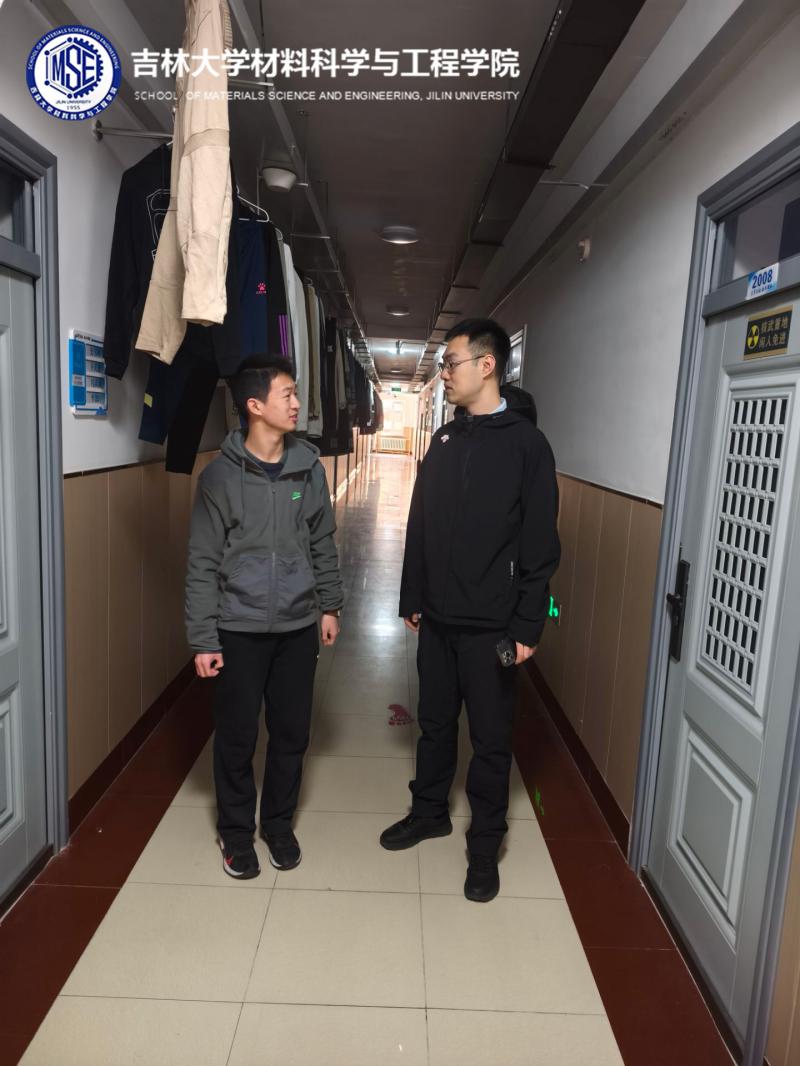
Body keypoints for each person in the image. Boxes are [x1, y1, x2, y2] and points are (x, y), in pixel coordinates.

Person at [380, 319, 560, 902]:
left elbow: (540, 544)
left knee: (489, 741)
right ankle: (429, 812)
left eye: (450, 363)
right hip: (438, 619)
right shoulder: (445, 440)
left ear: (487, 365)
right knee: (434, 725)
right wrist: (413, 595)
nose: (445, 374)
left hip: (493, 626)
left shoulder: (527, 446)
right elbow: (420, 523)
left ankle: (484, 848)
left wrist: (528, 624)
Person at [186, 357, 343, 879]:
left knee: (292, 734)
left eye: (297, 393)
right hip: (238, 628)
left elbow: (322, 541)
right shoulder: (219, 478)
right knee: (236, 737)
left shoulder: (308, 468)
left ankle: (278, 826)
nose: (298, 403)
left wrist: (330, 605)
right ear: (254, 405)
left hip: (298, 626)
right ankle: (235, 834)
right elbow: (202, 562)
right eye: (288, 394)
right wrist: (203, 639)